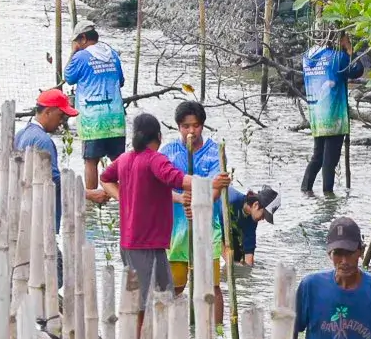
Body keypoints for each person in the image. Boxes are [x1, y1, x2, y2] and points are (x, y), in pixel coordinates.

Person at [87, 111, 189, 318]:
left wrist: (121, 197)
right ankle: (140, 338)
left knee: (163, 295)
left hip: (137, 243)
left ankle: (155, 338)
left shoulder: (125, 159)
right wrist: (210, 183)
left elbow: (105, 179)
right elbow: (176, 179)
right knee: (145, 303)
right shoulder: (154, 159)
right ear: (159, 136)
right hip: (144, 243)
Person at [160, 100, 233, 321]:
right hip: (176, 232)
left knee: (211, 287)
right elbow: (159, 189)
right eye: (186, 126)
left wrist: (199, 204)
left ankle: (216, 332)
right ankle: (172, 331)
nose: (191, 131)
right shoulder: (168, 153)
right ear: (178, 127)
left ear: (202, 125)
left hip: (207, 229)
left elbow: (216, 190)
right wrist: (181, 199)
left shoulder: (214, 153)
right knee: (174, 287)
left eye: (196, 125)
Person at [62, 24, 125, 192]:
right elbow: (121, 81)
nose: (76, 44)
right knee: (119, 161)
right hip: (115, 116)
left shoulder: (80, 56)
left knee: (91, 160)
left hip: (92, 118)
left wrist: (73, 52)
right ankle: (125, 198)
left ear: (83, 38)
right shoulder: (112, 54)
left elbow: (68, 77)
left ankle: (91, 200)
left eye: (77, 41)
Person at [301, 34, 361, 196]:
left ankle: (305, 190)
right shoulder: (337, 57)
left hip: (316, 115)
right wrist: (349, 49)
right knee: (329, 162)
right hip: (334, 116)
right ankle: (329, 197)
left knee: (317, 156)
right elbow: (357, 70)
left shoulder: (307, 57)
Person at [15, 87, 74, 231]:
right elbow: (52, 180)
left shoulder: (21, 134)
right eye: (61, 116)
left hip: (25, 211)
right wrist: (86, 193)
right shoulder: (43, 141)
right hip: (42, 217)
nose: (62, 122)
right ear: (48, 112)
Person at [225, 184, 279, 266]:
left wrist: (248, 270)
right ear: (256, 205)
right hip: (212, 222)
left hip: (231, 230)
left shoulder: (252, 221)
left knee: (238, 257)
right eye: (263, 215)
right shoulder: (232, 201)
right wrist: (231, 263)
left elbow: (249, 251)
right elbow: (215, 231)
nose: (263, 219)